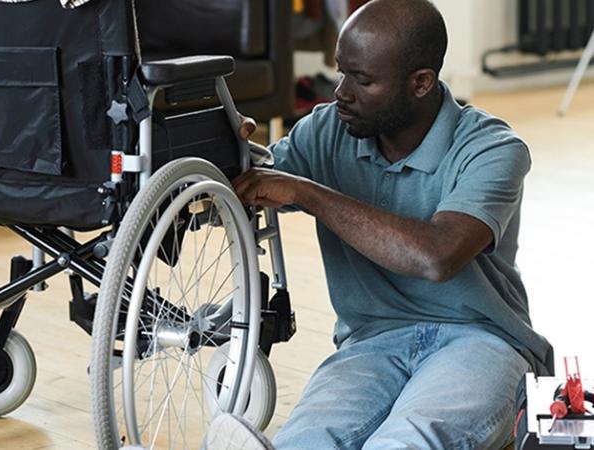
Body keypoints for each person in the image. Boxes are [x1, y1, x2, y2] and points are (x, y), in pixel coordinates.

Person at [230, 0, 553, 448]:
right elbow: (247, 184)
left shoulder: (493, 148)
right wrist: (226, 147)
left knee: (407, 442)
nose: (341, 91)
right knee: (306, 441)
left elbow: (438, 256)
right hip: (371, 343)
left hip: (483, 341)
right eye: (341, 71)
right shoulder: (327, 130)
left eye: (361, 80)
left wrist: (307, 192)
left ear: (421, 82)